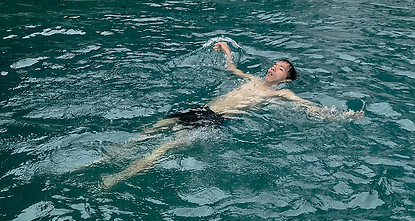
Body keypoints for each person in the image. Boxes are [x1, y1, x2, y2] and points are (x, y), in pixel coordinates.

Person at [101, 42, 363, 188]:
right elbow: (232, 68)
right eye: (274, 65)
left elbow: (309, 107)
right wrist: (226, 50)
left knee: (163, 148)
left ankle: (119, 177)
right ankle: (109, 155)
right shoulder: (250, 79)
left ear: (287, 79)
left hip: (213, 121)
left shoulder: (280, 94)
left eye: (281, 69)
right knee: (149, 131)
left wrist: (342, 117)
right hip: (200, 110)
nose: (274, 68)